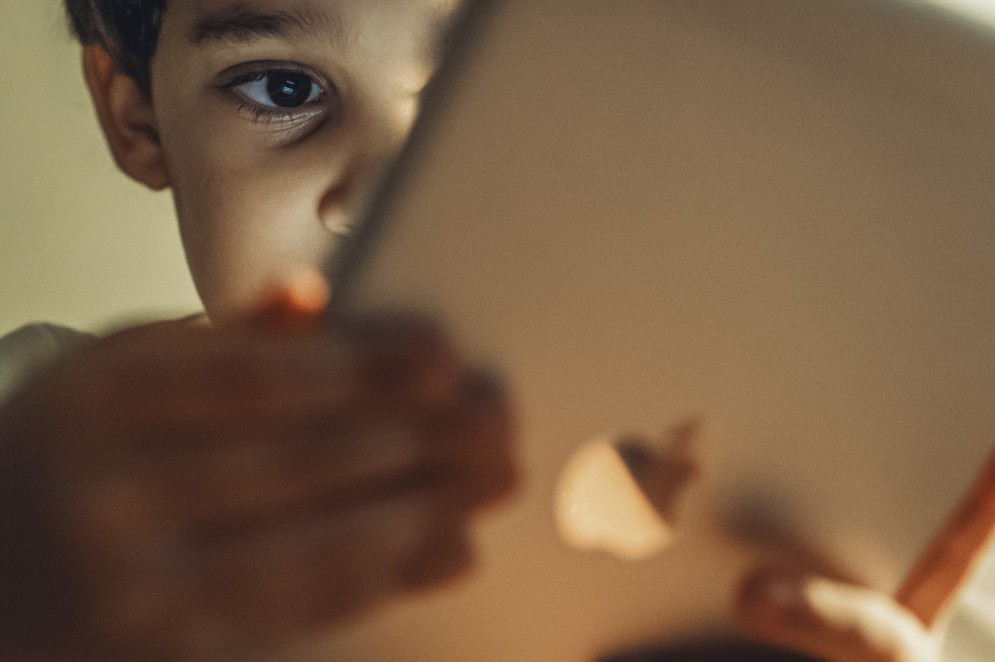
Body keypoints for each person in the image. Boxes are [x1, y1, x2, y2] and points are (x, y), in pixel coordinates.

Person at [0, 0, 963, 660]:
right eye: (283, 89)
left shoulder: (778, 518)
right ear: (138, 124)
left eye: (482, 88)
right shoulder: (45, 447)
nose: (382, 183)